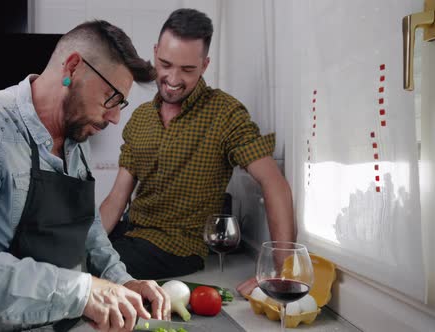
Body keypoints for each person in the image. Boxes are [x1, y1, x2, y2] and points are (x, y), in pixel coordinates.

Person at [0, 20, 170, 332]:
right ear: (73, 67)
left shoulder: (76, 141)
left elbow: (87, 229)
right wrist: (82, 290)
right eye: (111, 97)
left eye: (121, 104)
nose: (115, 118)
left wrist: (122, 280)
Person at [100, 8, 295, 295]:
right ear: (155, 52)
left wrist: (282, 271)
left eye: (187, 69)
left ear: (204, 65)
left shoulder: (225, 113)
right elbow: (117, 198)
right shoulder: (140, 117)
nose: (173, 78)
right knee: (65, 251)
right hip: (130, 233)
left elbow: (274, 184)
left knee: (90, 268)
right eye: (165, 64)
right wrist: (87, 242)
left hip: (175, 247)